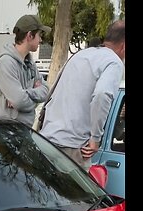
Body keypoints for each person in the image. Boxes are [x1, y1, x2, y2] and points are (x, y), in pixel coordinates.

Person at [38, 19, 125, 166]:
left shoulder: (81, 55)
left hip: (47, 140)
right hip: (73, 148)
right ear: (123, 46)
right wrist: (95, 138)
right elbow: (102, 95)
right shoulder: (113, 62)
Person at [0, 15, 51, 125]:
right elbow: (20, 101)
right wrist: (34, 97)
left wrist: (25, 93)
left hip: (24, 132)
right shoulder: (6, 63)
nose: (41, 40)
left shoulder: (30, 63)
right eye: (39, 35)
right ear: (30, 35)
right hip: (7, 134)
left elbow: (46, 90)